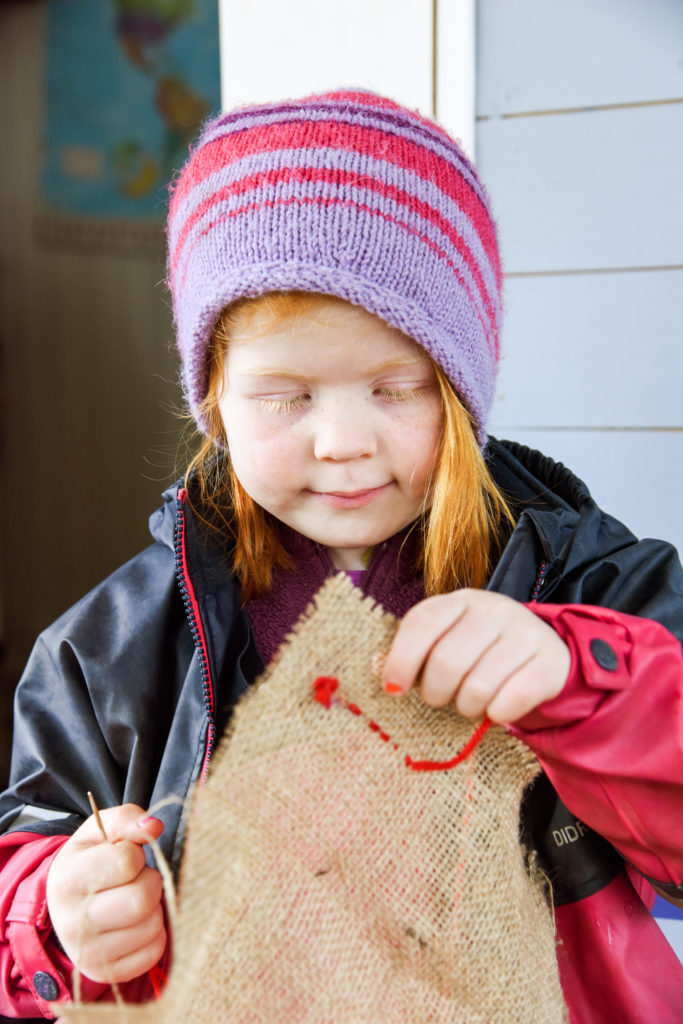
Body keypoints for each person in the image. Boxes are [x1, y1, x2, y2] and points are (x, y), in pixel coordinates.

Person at [0, 89, 681, 1023]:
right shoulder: (111, 651)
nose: (342, 441)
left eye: (397, 385)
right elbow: (28, 849)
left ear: (462, 387)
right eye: (284, 395)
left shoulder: (588, 585)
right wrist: (53, 916)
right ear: (214, 398)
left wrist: (576, 682)